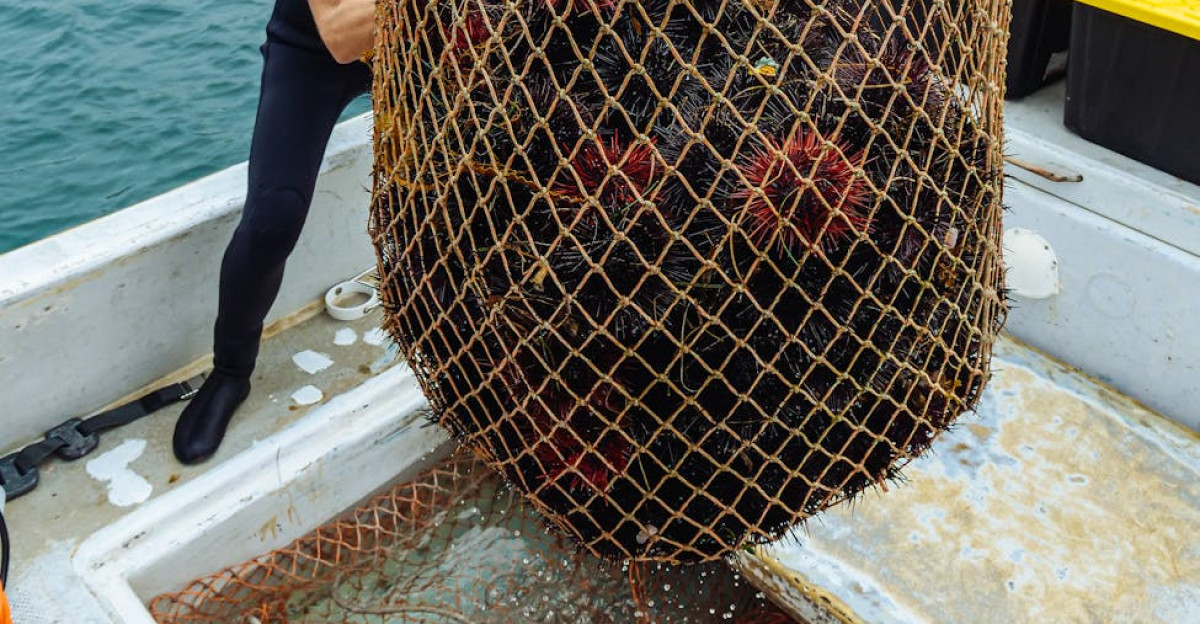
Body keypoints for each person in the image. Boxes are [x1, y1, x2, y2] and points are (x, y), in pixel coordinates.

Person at [172, 0, 377, 464]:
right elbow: (343, 37)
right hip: (316, 45)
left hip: (429, 46)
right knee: (274, 216)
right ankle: (230, 372)